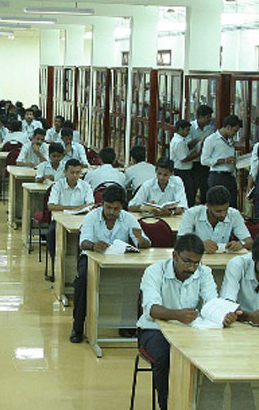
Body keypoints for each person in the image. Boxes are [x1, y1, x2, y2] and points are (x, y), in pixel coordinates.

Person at [137, 233, 237, 410]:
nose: (192, 268)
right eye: (187, 261)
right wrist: (177, 315)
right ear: (175, 255)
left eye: (196, 263)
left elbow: (211, 303)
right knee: (166, 357)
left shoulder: (204, 272)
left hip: (191, 330)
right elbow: (152, 310)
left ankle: (205, 405)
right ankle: (167, 405)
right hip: (154, 329)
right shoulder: (154, 271)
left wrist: (222, 315)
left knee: (215, 355)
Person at [71, 185, 150, 343]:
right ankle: (77, 327)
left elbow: (144, 243)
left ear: (122, 207)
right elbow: (83, 242)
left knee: (137, 279)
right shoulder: (91, 217)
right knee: (82, 280)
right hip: (92, 258)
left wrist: (141, 240)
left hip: (119, 260)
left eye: (116, 209)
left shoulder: (128, 218)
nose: (111, 212)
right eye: (108, 207)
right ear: (102, 204)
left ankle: (127, 325)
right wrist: (93, 245)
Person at [46, 159, 95, 269]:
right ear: (65, 172)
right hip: (60, 221)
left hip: (81, 220)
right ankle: (56, 265)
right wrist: (74, 208)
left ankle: (82, 266)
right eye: (72, 172)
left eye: (78, 173)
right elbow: (51, 206)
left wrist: (81, 208)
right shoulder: (58, 186)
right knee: (51, 234)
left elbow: (91, 204)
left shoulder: (86, 186)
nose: (75, 175)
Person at [177, 185, 252, 253]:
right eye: (218, 211)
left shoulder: (234, 214)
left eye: (226, 209)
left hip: (223, 259)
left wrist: (241, 244)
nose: (223, 214)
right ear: (207, 206)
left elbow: (249, 241)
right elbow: (180, 240)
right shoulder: (191, 214)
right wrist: (200, 245)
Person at [201, 114, 241, 208]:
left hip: (230, 176)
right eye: (234, 131)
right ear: (228, 127)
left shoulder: (230, 141)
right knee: (218, 205)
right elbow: (204, 160)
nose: (234, 134)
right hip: (217, 176)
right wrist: (224, 161)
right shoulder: (211, 139)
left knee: (232, 205)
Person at [169, 119, 200, 206]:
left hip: (181, 170)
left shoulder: (180, 140)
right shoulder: (179, 142)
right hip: (182, 171)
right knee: (188, 194)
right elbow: (184, 159)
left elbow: (184, 150)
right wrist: (198, 154)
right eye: (187, 130)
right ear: (180, 129)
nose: (188, 133)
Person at [188, 104, 214, 204]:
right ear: (199, 117)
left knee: (205, 188)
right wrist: (200, 139)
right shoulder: (190, 128)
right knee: (192, 188)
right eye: (207, 117)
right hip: (193, 162)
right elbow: (187, 146)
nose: (210, 119)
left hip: (205, 163)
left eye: (210, 117)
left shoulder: (209, 129)